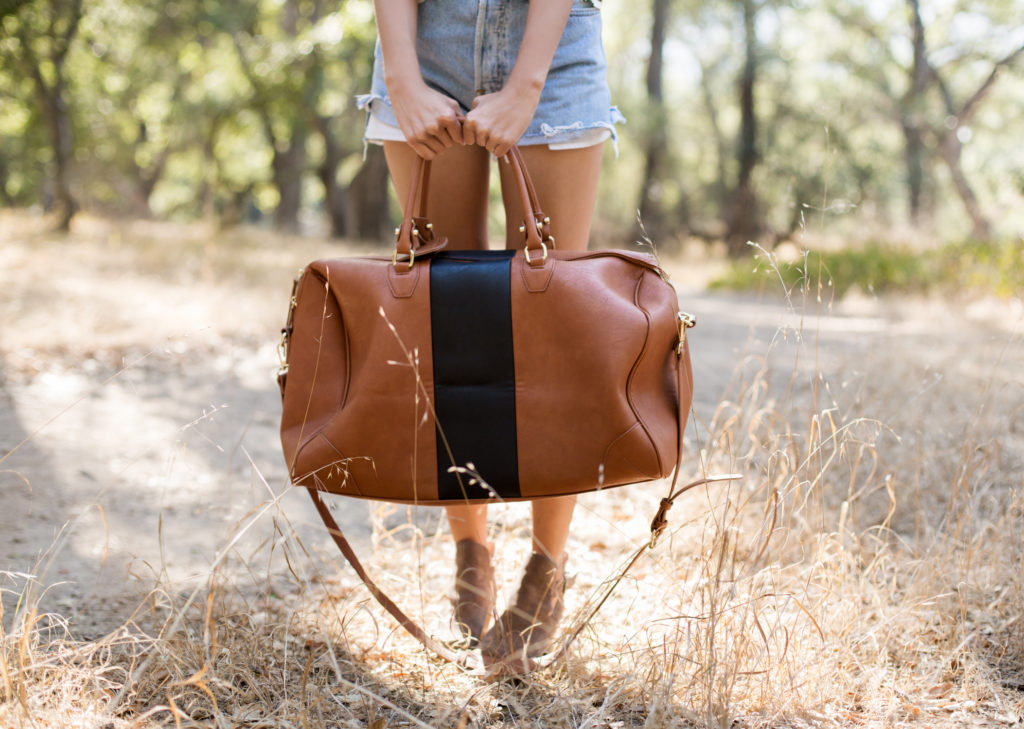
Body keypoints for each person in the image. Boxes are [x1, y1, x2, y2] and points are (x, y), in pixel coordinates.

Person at [359, 0, 623, 674]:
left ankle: (546, 567)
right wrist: (401, 78)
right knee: (447, 320)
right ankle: (470, 552)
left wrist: (525, 88)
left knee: (551, 323)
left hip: (550, 45)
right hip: (424, 43)